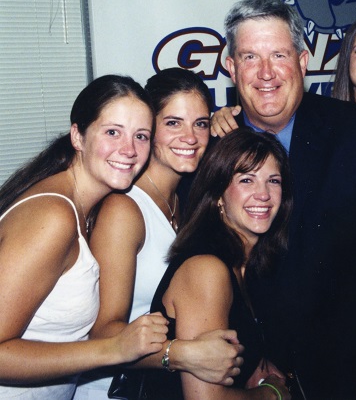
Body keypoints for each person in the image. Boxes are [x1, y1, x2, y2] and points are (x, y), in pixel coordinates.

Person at [210, 0, 356, 400]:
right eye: (250, 57)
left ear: (303, 61)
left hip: (351, 372)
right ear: (231, 66)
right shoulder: (212, 145)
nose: (266, 73)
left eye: (279, 55)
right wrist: (251, 357)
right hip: (252, 375)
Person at [74, 68, 244, 399]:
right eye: (173, 123)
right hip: (113, 390)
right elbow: (104, 333)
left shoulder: (184, 202)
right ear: (149, 129)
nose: (191, 137)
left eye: (200, 123)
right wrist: (183, 353)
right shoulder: (124, 210)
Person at [0, 75, 167, 399]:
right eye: (112, 132)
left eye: (141, 136)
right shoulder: (53, 217)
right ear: (78, 136)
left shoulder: (83, 208)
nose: (129, 149)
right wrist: (115, 349)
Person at [143, 129, 291, 400]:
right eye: (247, 180)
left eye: (273, 180)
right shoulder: (207, 270)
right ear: (218, 196)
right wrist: (274, 394)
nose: (263, 194)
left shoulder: (249, 264)